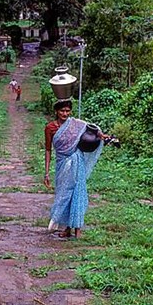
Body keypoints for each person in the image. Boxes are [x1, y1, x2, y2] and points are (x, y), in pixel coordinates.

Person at [44, 98, 108, 239]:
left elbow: (93, 129)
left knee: (77, 192)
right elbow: (48, 150)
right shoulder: (50, 128)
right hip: (62, 164)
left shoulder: (75, 124)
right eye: (62, 111)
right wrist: (46, 172)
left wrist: (102, 136)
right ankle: (67, 228)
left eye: (67, 111)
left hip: (77, 161)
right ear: (56, 111)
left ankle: (78, 229)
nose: (65, 114)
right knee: (64, 194)